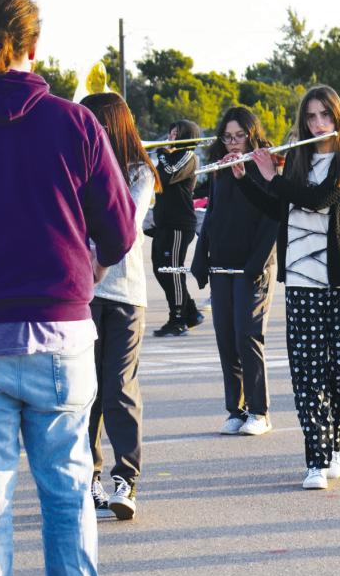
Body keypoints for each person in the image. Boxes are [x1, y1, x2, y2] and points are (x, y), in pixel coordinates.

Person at [0, 0, 134, 576]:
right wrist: (91, 263)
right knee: (67, 491)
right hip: (60, 331)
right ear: (34, 45)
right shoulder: (74, 123)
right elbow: (121, 230)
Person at [229, 85, 340, 490]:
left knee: (338, 371)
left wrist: (272, 175)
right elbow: (281, 207)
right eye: (310, 117)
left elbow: (319, 200)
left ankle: (334, 443)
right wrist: (246, 179)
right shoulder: (296, 163)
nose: (318, 123)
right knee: (306, 371)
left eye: (325, 114)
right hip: (302, 281)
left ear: (337, 117)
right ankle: (316, 458)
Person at [79, 92, 158, 521]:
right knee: (86, 390)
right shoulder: (80, 168)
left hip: (125, 295)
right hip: (84, 295)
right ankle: (89, 476)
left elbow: (124, 222)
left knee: (119, 388)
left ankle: (125, 477)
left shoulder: (139, 172)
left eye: (92, 122)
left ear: (110, 125)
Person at [191, 107, 282, 436]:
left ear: (252, 134)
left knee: (248, 337)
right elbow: (212, 216)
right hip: (221, 266)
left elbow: (272, 219)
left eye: (239, 136)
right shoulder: (219, 170)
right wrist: (201, 263)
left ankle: (260, 411)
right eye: (227, 137)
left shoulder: (265, 166)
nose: (233, 143)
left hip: (253, 268)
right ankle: (236, 409)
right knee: (226, 340)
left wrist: (257, 264)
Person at [151, 119, 206, 337]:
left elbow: (168, 174)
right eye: (170, 132)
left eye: (175, 134)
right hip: (164, 222)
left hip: (179, 223)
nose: (170, 137)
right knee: (160, 269)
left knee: (172, 270)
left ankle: (178, 319)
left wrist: (162, 154)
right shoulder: (168, 157)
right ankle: (190, 311)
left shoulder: (188, 156)